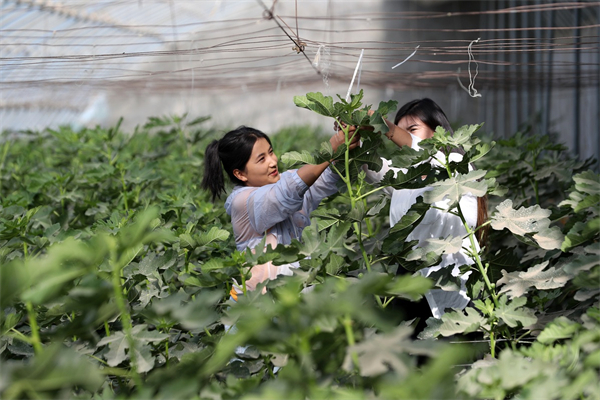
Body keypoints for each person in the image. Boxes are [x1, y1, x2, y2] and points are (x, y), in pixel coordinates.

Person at [357, 98, 487, 328]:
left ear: (437, 130)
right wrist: (351, 139)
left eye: (412, 129)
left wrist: (382, 124)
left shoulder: (455, 163)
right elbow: (374, 170)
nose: (403, 138)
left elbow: (419, 147)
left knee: (450, 352)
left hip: (450, 275)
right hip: (411, 274)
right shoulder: (407, 175)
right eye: (400, 130)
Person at [202, 126, 360, 299]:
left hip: (294, 292)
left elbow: (326, 177)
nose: (272, 161)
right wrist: (329, 152)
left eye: (271, 152)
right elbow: (286, 193)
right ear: (240, 174)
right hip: (257, 306)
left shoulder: (286, 180)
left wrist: (346, 143)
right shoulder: (242, 201)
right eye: (261, 159)